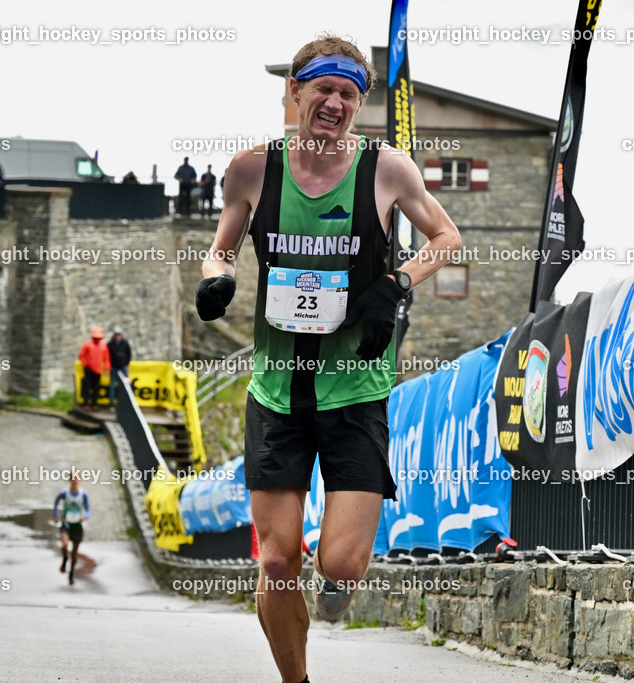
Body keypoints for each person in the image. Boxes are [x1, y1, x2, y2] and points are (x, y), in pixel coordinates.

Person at [195, 34, 461, 683]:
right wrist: (215, 279)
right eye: (324, 90)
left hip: (354, 391)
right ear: (296, 92)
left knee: (340, 567)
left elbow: (446, 236)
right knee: (278, 561)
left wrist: (396, 283)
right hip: (276, 393)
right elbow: (221, 247)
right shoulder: (254, 170)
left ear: (360, 102)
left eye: (349, 93)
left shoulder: (388, 170)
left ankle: (333, 583)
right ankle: (297, 678)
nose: (336, 103)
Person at [52, 470, 90, 586]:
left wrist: (85, 516)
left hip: (77, 525)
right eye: (72, 478)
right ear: (70, 480)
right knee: (64, 544)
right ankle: (64, 559)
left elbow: (88, 509)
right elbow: (56, 502)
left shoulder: (83, 494)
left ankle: (71, 574)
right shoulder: (64, 493)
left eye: (76, 478)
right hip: (66, 524)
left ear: (79, 480)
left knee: (74, 554)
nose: (74, 480)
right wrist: (55, 514)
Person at [78, 327, 110, 411]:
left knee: (96, 388)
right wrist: (86, 364)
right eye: (96, 338)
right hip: (88, 369)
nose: (97, 340)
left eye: (98, 338)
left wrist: (107, 368)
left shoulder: (103, 346)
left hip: (98, 370)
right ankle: (86, 403)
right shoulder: (87, 344)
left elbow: (106, 358)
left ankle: (94, 403)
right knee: (87, 387)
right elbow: (81, 355)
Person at [106, 327, 132, 408]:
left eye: (119, 335)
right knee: (112, 385)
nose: (117, 336)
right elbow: (107, 356)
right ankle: (111, 403)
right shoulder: (110, 344)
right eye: (116, 335)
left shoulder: (125, 343)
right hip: (114, 368)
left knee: (127, 385)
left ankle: (128, 402)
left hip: (123, 367)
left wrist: (126, 363)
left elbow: (129, 353)